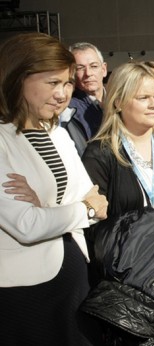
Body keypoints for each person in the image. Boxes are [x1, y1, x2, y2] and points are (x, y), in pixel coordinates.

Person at [81, 61, 154, 343]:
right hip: (129, 281)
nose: (153, 105)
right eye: (143, 98)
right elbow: (95, 223)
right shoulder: (100, 153)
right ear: (119, 100)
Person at [0, 32, 108, 345]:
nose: (62, 94)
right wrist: (82, 209)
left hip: (74, 281)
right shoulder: (3, 142)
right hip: (25, 293)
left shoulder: (56, 132)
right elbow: (28, 225)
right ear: (17, 78)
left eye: (67, 83)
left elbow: (98, 199)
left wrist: (48, 210)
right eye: (52, 83)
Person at [61, 42, 107, 155]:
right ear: (71, 73)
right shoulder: (67, 110)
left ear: (104, 69)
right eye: (80, 68)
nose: (88, 73)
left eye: (94, 66)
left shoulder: (121, 101)